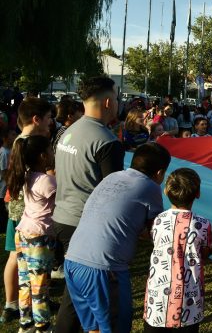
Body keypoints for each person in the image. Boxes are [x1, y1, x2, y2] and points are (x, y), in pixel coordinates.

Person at [64, 142, 169, 333]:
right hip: (104, 269)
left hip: (73, 260)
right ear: (160, 173)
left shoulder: (112, 177)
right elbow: (158, 231)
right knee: (115, 328)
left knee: (93, 328)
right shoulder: (150, 187)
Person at [52, 76, 125, 333]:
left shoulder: (68, 131)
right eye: (116, 98)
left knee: (75, 295)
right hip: (84, 227)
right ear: (107, 102)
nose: (117, 103)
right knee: (83, 298)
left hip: (61, 218)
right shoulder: (106, 141)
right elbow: (113, 193)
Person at [2, 98, 53, 325]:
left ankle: (23, 315)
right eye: (49, 117)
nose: (51, 122)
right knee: (20, 262)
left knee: (23, 268)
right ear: (36, 119)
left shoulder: (22, 143)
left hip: (24, 217)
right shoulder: (28, 144)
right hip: (26, 216)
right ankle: (17, 307)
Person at [143, 168, 212, 333]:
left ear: (166, 191)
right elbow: (205, 253)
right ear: (198, 193)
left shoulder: (158, 220)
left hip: (157, 297)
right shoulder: (203, 224)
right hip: (189, 298)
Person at [7, 135, 56, 333]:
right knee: (39, 287)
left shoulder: (27, 175)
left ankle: (25, 323)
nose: (54, 153)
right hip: (39, 240)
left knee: (26, 282)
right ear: (44, 156)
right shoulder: (47, 181)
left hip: (24, 234)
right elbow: (65, 198)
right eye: (52, 150)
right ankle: (43, 327)